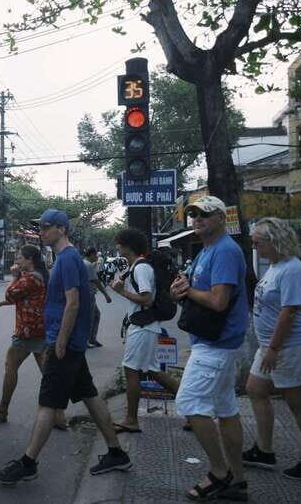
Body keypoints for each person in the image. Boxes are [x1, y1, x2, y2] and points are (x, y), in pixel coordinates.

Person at [0, 209, 131, 486]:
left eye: (45, 227)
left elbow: (73, 302)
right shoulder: (63, 258)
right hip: (69, 342)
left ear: (61, 229)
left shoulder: (67, 259)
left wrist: (61, 341)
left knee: (47, 402)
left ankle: (28, 462)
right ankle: (117, 452)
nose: (41, 232)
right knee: (90, 395)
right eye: (40, 227)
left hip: (64, 343)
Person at [170, 196, 249, 501]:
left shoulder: (226, 251)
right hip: (213, 343)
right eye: (193, 215)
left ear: (220, 218)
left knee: (189, 404)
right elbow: (197, 292)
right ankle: (238, 482)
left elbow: (218, 301)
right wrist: (181, 291)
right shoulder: (206, 251)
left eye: (205, 214)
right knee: (227, 411)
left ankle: (219, 472)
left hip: (217, 345)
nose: (197, 219)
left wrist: (189, 291)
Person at [244, 217, 301, 480]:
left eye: (258, 243)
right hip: (272, 346)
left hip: (290, 346)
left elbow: (289, 313)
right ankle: (264, 450)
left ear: (275, 241)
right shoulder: (276, 266)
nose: (255, 248)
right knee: (255, 389)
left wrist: (273, 349)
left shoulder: (292, 269)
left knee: (298, 403)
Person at [0, 244, 66, 428]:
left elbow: (12, 294)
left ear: (29, 260)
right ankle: (59, 415)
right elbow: (24, 298)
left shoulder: (30, 278)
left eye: (20, 258)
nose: (17, 261)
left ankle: (2, 409)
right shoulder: (40, 276)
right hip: (39, 328)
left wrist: (13, 277)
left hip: (28, 331)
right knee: (47, 372)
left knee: (10, 365)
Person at [110, 228, 180, 433]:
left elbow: (146, 298)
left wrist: (121, 291)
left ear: (128, 246)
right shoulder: (138, 266)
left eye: (119, 243)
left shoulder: (141, 268)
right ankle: (193, 407)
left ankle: (131, 419)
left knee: (131, 370)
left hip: (142, 327)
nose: (117, 246)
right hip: (146, 326)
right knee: (152, 370)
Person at [83, 246, 112, 348]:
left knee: (95, 315)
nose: (97, 257)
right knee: (90, 318)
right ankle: (86, 340)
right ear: (91, 254)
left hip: (87, 294)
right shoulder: (88, 265)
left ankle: (92, 339)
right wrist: (106, 295)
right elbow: (97, 281)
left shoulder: (84, 263)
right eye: (95, 255)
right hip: (88, 295)